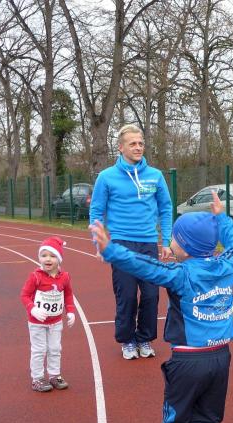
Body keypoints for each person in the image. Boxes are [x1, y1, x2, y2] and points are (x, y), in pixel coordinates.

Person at [89, 190, 233, 423]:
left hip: (188, 360)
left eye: (173, 238)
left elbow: (145, 267)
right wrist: (223, 219)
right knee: (207, 417)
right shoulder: (227, 265)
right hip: (221, 357)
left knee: (176, 419)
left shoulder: (180, 274)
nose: (169, 242)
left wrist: (112, 251)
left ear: (184, 246)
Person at [89, 124, 173, 360]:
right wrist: (99, 243)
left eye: (141, 143)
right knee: (126, 295)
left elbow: (166, 208)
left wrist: (166, 241)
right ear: (121, 147)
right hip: (121, 244)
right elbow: (96, 211)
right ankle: (127, 340)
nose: (138, 147)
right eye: (133, 143)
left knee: (150, 295)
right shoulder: (106, 177)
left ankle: (144, 338)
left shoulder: (155, 175)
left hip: (148, 244)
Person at [20, 236, 77, 391]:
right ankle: (37, 378)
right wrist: (33, 309)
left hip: (56, 322)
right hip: (37, 323)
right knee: (39, 350)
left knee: (55, 348)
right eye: (44, 255)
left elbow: (68, 295)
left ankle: (54, 375)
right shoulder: (35, 276)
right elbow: (24, 295)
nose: (48, 259)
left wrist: (71, 311)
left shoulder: (65, 277)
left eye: (52, 256)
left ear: (59, 259)